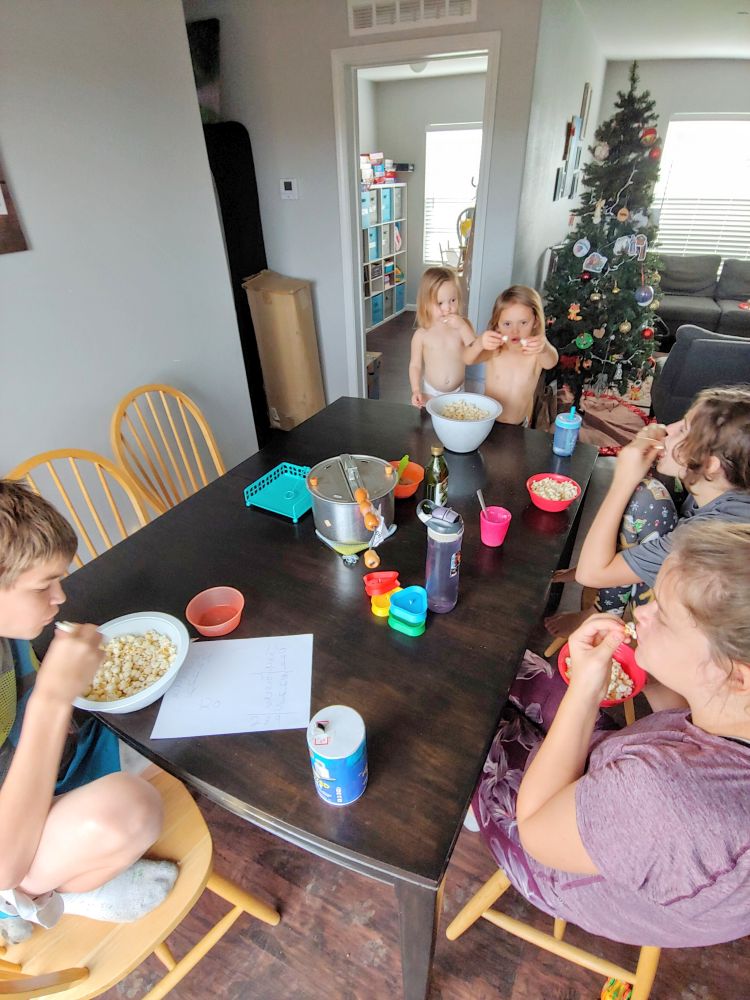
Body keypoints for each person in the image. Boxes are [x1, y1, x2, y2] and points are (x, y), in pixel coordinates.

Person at [472, 519, 750, 948]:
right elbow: (687, 728)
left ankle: (471, 804)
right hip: (622, 798)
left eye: (665, 616)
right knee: (503, 666)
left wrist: (585, 687)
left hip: (558, 861)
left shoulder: (668, 796)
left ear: (736, 676)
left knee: (468, 722)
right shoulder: (733, 717)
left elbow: (536, 829)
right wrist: (654, 676)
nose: (641, 612)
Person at [0, 480, 177, 943]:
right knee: (129, 809)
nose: (60, 597)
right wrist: (53, 698)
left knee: (171, 723)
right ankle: (41, 898)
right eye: (44, 586)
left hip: (43, 771)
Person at [546, 385, 750, 637]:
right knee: (652, 496)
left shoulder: (705, 537)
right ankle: (613, 583)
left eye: (684, 429)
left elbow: (591, 574)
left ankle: (605, 614)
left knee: (645, 497)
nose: (668, 429)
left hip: (693, 632)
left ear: (710, 466)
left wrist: (624, 479)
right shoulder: (726, 492)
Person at [463, 285, 558, 425]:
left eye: (523, 323)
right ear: (497, 325)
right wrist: (479, 343)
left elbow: (552, 361)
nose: (515, 331)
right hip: (487, 420)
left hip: (519, 425)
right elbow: (467, 358)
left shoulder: (535, 351)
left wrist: (544, 348)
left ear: (536, 322)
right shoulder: (495, 349)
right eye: (507, 324)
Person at [409, 266, 475, 407]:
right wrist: (416, 390)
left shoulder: (463, 326)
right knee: (430, 427)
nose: (447, 308)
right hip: (431, 394)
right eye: (440, 303)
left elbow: (475, 351)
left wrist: (463, 327)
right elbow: (415, 365)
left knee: (458, 426)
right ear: (426, 304)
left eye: (452, 300)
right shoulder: (422, 335)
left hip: (459, 392)